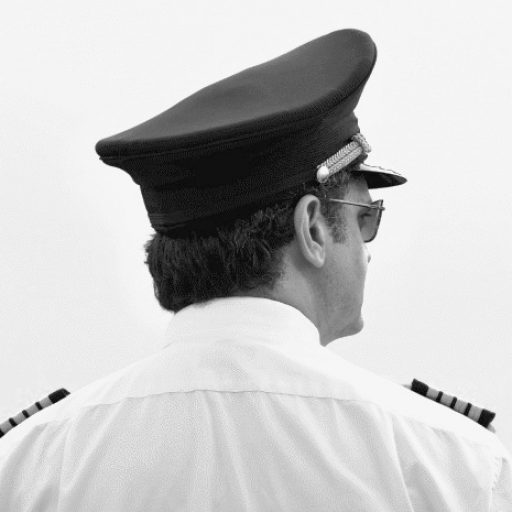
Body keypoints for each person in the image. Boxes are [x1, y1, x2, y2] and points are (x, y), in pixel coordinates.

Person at [0, 28, 511, 511]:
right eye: (367, 218)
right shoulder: (450, 463)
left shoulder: (29, 462)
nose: (368, 250)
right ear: (312, 228)